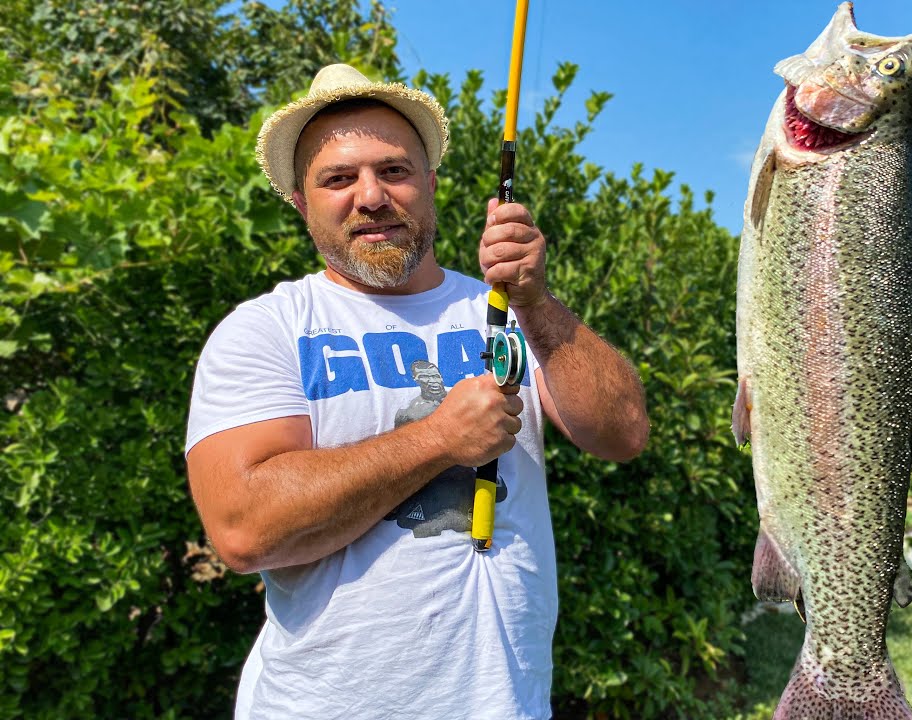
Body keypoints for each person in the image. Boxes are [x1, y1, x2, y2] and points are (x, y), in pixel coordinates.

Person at [184, 64, 648, 719]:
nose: (371, 196)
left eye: (394, 171)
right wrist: (438, 439)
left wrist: (537, 302)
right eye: (338, 179)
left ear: (429, 184)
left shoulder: (507, 311)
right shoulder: (267, 330)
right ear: (299, 201)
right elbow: (243, 529)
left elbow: (622, 431)